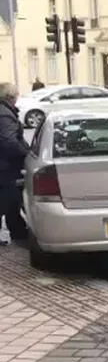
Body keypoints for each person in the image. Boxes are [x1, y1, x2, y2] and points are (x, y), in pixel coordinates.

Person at [0, 83, 28, 245]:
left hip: (5, 164)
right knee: (9, 198)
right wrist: (25, 154)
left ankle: (18, 231)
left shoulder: (5, 111)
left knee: (10, 199)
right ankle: (18, 232)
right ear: (10, 96)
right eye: (16, 95)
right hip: (6, 165)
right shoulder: (5, 114)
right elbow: (9, 141)